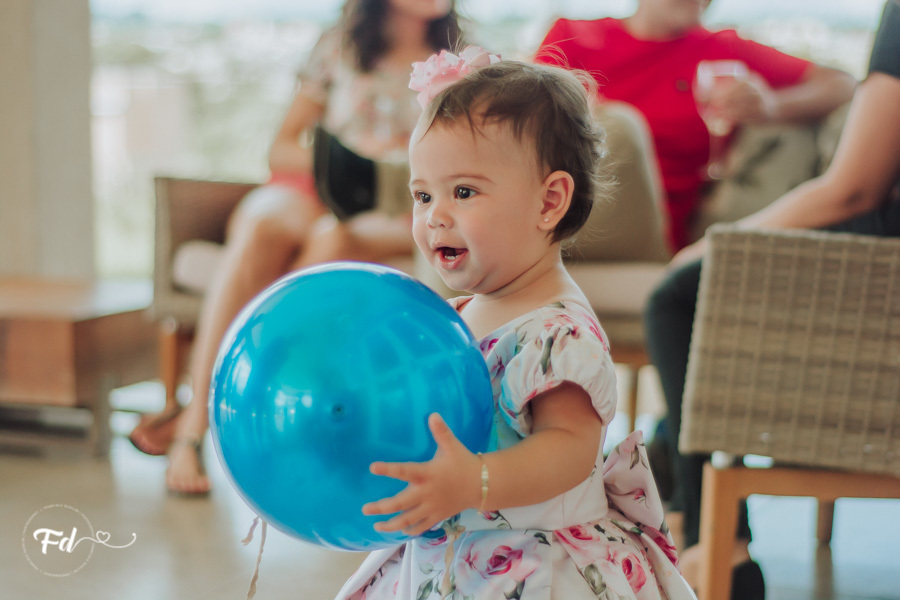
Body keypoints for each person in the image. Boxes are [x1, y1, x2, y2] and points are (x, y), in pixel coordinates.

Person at [334, 47, 697, 600]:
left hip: (533, 567)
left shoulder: (557, 332)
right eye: (422, 195)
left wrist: (474, 480)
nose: (435, 215)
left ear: (549, 201)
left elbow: (570, 447)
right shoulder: (459, 315)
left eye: (463, 192)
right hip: (455, 551)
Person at [129, 0, 464, 496]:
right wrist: (342, 164)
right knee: (263, 224)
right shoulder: (338, 47)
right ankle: (193, 425)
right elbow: (281, 146)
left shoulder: (461, 64)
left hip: (398, 203)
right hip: (319, 184)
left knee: (333, 237)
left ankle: (252, 396)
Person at [644, 0, 900, 597]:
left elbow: (855, 187)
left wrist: (719, 244)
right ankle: (678, 497)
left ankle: (719, 550)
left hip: (881, 268)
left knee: (679, 293)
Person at [535, 0, 856, 251]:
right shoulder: (572, 36)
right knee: (613, 129)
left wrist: (772, 107)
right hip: (563, 196)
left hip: (647, 225)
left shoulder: (722, 49)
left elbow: (841, 84)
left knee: (622, 128)